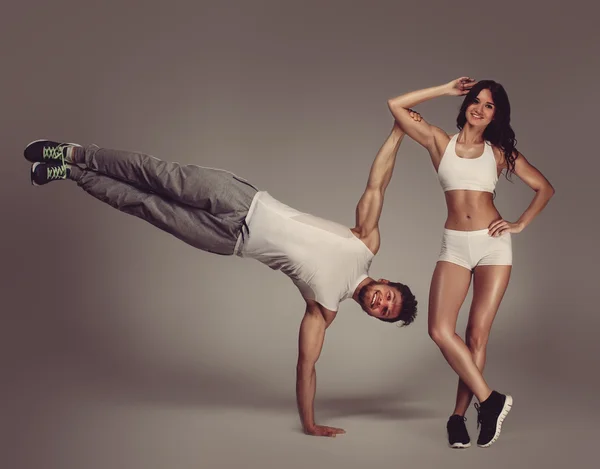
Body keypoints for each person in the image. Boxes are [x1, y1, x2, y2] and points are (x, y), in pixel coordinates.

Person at [24, 120, 418, 438]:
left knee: (144, 205)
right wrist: (398, 131)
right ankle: (75, 153)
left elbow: (306, 368)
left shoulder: (324, 307)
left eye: (385, 312)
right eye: (389, 298)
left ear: (374, 317)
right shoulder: (365, 243)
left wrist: (310, 423)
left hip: (229, 240)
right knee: (155, 173)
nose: (381, 303)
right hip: (241, 200)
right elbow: (377, 185)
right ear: (386, 282)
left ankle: (72, 173)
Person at [388, 77, 555, 448]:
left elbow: (544, 188)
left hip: (493, 247)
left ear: (496, 115)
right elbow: (396, 105)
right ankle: (491, 399)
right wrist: (445, 89)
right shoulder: (439, 142)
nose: (479, 108)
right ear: (466, 105)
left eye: (489, 105)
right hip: (455, 246)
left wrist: (520, 223)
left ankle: (459, 418)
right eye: (475, 101)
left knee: (476, 336)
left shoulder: (498, 153)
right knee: (440, 330)